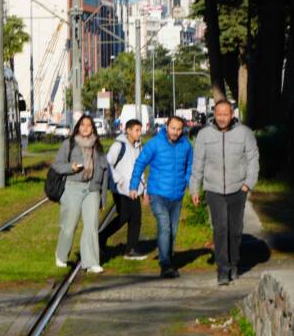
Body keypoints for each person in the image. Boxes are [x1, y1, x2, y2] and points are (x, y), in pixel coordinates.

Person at [189, 100, 259, 285]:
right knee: (220, 228)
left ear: (232, 114)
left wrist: (248, 184)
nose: (222, 118)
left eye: (225, 114)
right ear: (214, 114)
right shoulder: (204, 135)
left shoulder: (245, 133)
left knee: (235, 230)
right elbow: (198, 163)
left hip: (238, 188)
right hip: (214, 189)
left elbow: (253, 160)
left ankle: (234, 263)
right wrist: (194, 188)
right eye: (219, 114)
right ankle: (223, 269)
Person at [130, 116, 193, 278]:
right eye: (173, 128)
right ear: (167, 126)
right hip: (157, 193)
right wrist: (133, 186)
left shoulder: (186, 145)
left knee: (172, 230)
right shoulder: (154, 144)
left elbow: (190, 166)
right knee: (164, 226)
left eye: (179, 129)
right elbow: (140, 163)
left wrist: (186, 182)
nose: (176, 132)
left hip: (177, 194)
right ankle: (165, 264)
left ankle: (168, 257)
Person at [53, 115, 109, 273]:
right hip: (73, 187)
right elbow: (57, 165)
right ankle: (61, 255)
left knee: (91, 226)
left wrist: (103, 198)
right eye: (83, 125)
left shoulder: (98, 147)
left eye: (89, 125)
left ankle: (91, 262)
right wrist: (71, 167)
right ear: (78, 127)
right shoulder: (68, 144)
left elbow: (104, 173)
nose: (86, 128)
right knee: (69, 226)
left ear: (93, 129)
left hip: (92, 189)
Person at [106, 119, 148, 260]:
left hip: (134, 189)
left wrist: (145, 189)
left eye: (140, 130)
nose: (139, 133)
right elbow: (108, 163)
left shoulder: (139, 147)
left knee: (135, 217)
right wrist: (119, 180)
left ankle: (130, 249)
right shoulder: (118, 146)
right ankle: (101, 237)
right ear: (128, 130)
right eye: (136, 130)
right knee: (124, 216)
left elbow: (140, 169)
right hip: (120, 188)